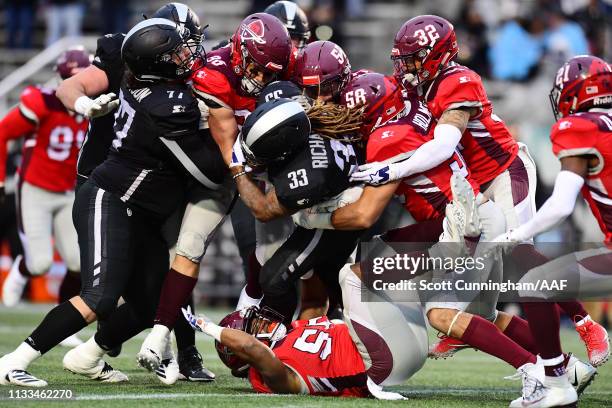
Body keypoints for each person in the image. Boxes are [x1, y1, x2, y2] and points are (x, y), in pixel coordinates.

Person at [350, 14, 608, 370]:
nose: (405, 66)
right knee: (492, 271)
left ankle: (585, 324)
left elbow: (444, 146)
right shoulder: (416, 83)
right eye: (403, 58)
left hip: (505, 171)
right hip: (473, 189)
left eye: (413, 57)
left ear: (437, 55)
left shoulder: (458, 80)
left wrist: (391, 168)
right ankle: (553, 361)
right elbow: (378, 91)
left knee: (521, 254)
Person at [0, 17, 221, 387]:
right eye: (177, 51)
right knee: (99, 297)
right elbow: (211, 172)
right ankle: (13, 361)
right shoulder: (166, 103)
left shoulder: (150, 85)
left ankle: (86, 358)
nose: (187, 55)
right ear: (157, 62)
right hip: (112, 198)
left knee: (153, 304)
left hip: (140, 208)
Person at [56, 3, 216, 382]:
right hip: (108, 177)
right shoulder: (125, 52)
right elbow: (71, 86)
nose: (189, 52)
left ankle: (183, 351)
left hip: (160, 178)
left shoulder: (187, 70)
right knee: (109, 287)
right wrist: (84, 104)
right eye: (181, 45)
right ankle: (96, 347)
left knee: (176, 263)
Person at [138, 13, 294, 373]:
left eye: (269, 73)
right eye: (255, 69)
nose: (261, 80)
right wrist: (245, 176)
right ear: (239, 53)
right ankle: (156, 338)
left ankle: (250, 332)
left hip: (250, 174)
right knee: (181, 249)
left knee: (270, 261)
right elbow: (226, 145)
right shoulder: (212, 73)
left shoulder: (282, 74)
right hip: (212, 173)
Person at [492, 55, 612, 407]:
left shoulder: (580, 127)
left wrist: (515, 235)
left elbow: (560, 205)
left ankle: (556, 384)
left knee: (535, 284)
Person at [182, 257, 429, 399]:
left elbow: (313, 302)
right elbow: (252, 348)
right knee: (352, 275)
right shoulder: (272, 377)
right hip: (382, 362)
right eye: (255, 324)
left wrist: (306, 268)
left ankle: (453, 257)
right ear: (241, 358)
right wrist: (209, 328)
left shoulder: (291, 334)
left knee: (378, 256)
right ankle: (448, 256)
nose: (264, 321)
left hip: (402, 345)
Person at [229, 82, 364, 323]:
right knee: (331, 280)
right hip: (333, 201)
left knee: (274, 279)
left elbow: (263, 209)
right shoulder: (309, 123)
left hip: (338, 216)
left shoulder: (308, 173)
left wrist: (237, 167)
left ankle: (280, 338)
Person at [0, 47, 90, 349]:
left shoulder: (96, 105)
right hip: (36, 187)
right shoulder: (41, 102)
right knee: (39, 264)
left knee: (79, 262)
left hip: (68, 191)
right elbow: (3, 132)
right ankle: (23, 268)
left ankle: (63, 321)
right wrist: (1, 177)